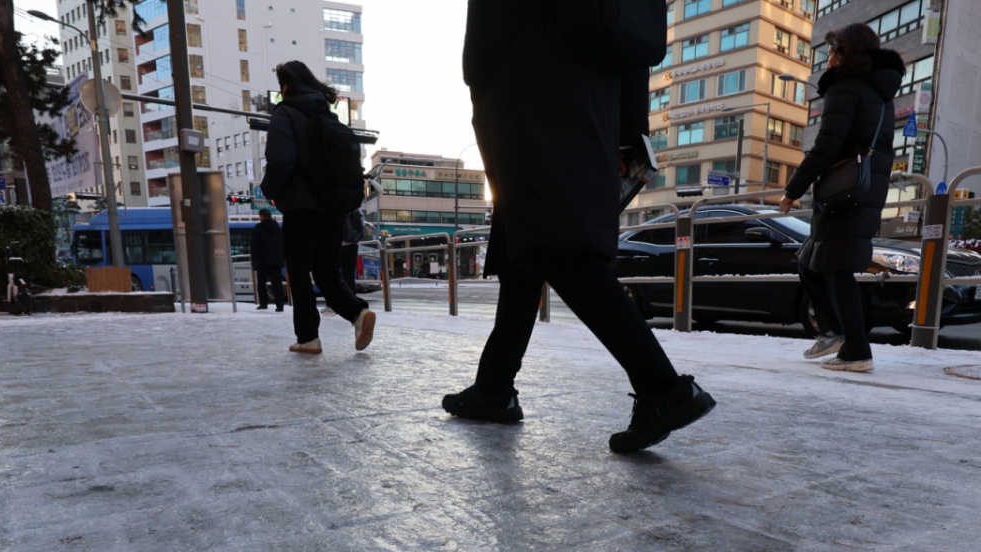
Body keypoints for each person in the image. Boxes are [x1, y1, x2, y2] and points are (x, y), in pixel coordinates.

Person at [442, 2, 715, 454]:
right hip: (592, 98)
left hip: (531, 90)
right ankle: (493, 386)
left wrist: (482, 83)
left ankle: (662, 388)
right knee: (523, 248)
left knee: (561, 249)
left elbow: (490, 34)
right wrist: (630, 130)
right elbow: (630, 44)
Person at [779, 23, 902, 373]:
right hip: (863, 190)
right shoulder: (880, 94)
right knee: (813, 262)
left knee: (836, 271)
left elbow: (826, 145)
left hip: (843, 192)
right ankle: (837, 336)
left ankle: (855, 350)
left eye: (832, 51)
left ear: (845, 53)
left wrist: (792, 190)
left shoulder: (846, 88)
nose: (828, 58)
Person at [260, 61, 375, 354]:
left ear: (286, 86)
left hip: (301, 208)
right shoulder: (329, 116)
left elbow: (281, 160)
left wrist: (269, 190)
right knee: (326, 271)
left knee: (298, 272)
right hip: (333, 208)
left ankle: (308, 337)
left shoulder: (285, 113)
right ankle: (358, 313)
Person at [250, 208, 286, 312]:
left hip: (263, 261)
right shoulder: (278, 228)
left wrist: (254, 260)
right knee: (277, 284)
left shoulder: (258, 228)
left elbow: (255, 246)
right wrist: (282, 259)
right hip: (276, 261)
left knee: (262, 284)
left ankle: (263, 304)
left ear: (262, 216)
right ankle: (280, 305)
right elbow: (283, 245)